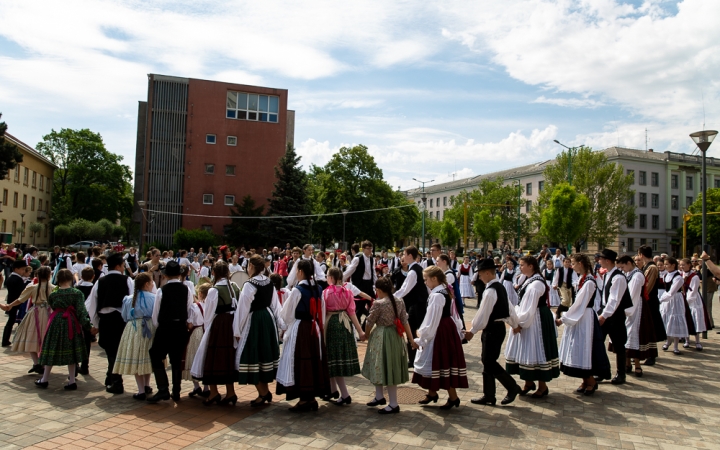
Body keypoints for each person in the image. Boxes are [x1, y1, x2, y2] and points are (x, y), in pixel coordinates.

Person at [465, 258, 522, 406]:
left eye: (481, 274)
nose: (480, 277)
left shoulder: (490, 291)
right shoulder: (499, 287)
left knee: (489, 361)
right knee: (487, 360)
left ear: (488, 273)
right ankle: (489, 394)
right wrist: (514, 323)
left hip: (492, 329)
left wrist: (472, 331)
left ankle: (511, 386)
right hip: (497, 328)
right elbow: (509, 308)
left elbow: (483, 314)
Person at [276, 259, 330, 412]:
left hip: (300, 328)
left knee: (301, 361)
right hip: (315, 328)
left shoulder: (297, 290)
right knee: (313, 361)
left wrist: (287, 326)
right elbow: (322, 311)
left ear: (300, 272)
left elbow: (286, 314)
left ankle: (305, 399)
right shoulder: (319, 288)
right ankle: (310, 397)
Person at [412, 266, 468, 410]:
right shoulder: (445, 290)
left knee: (441, 362)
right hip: (446, 328)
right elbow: (453, 312)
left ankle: (452, 397)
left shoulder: (437, 296)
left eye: (426, 279)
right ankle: (433, 393)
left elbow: (432, 319)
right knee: (443, 363)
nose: (425, 282)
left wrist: (422, 336)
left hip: (440, 330)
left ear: (434, 279)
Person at [504, 255, 560, 397]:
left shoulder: (536, 284)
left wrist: (519, 323)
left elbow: (529, 307)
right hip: (530, 317)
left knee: (536, 349)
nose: (520, 267)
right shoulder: (529, 280)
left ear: (531, 266)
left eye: (522, 265)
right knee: (527, 349)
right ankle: (528, 382)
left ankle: (542, 386)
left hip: (536, 320)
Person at [555, 254, 611, 395]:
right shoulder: (582, 279)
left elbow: (580, 303)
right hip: (580, 316)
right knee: (578, 348)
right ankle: (586, 379)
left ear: (580, 263)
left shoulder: (589, 281)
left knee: (586, 348)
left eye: (573, 263)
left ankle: (590, 380)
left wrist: (563, 319)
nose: (572, 266)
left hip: (585, 317)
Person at [233, 255, 283, 407]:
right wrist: (280, 324)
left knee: (252, 355)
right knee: (263, 355)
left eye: (248, 266)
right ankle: (264, 392)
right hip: (267, 320)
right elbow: (276, 305)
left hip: (254, 321)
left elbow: (242, 309)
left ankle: (263, 393)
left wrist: (237, 330)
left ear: (252, 267)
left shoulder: (249, 285)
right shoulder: (269, 282)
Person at [362, 276, 416, 414]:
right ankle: (380, 397)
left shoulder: (379, 304)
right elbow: (405, 321)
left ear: (378, 290)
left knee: (381, 365)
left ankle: (393, 403)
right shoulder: (399, 301)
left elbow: (369, 322)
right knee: (388, 366)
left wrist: (366, 335)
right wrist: (411, 339)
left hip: (382, 336)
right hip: (396, 336)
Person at [191, 261, 240, 405]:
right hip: (231, 324)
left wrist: (207, 330)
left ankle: (213, 392)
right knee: (227, 358)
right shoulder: (235, 287)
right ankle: (230, 392)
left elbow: (208, 314)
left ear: (214, 273)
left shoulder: (214, 290)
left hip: (219, 325)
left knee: (212, 357)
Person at [85, 253, 135, 394]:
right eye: (123, 265)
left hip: (106, 319)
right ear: (119, 266)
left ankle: (114, 380)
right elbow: (132, 301)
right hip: (121, 319)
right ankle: (113, 379)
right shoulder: (127, 280)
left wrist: (96, 323)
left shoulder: (100, 281)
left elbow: (92, 305)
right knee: (116, 350)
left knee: (110, 350)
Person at [34, 269, 91, 390]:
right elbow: (81, 311)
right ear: (70, 279)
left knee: (51, 348)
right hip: (71, 321)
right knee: (72, 350)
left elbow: (52, 306)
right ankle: (71, 380)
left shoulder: (54, 294)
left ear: (58, 280)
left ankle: (44, 379)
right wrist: (88, 326)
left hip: (56, 322)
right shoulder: (77, 293)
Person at [321, 267, 369, 405]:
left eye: (327, 276)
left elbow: (323, 312)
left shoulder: (326, 292)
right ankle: (332, 390)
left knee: (332, 359)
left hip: (331, 324)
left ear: (331, 278)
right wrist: (360, 331)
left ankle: (344, 394)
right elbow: (352, 313)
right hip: (345, 325)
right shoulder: (347, 292)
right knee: (335, 360)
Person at [0, 266, 54, 374]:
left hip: (35, 313)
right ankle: (42, 364)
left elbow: (20, 300)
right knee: (47, 339)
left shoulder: (33, 287)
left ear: (37, 276)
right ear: (49, 276)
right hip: (50, 314)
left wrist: (9, 306)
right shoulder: (54, 288)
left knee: (30, 337)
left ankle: (36, 363)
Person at [112, 273, 156, 400]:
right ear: (147, 284)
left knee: (137, 358)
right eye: (151, 282)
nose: (153, 284)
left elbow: (125, 316)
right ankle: (147, 385)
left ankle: (141, 390)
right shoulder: (154, 298)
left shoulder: (128, 299)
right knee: (146, 358)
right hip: (149, 327)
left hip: (134, 329)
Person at [597, 249, 633, 385]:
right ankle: (601, 371)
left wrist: (603, 316)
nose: (599, 261)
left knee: (619, 344)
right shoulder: (608, 275)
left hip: (615, 315)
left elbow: (614, 300)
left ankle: (621, 373)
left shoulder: (618, 277)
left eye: (601, 259)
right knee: (598, 341)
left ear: (607, 260)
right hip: (606, 311)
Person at [616, 256, 656, 376]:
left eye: (623, 266)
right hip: (628, 306)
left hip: (636, 307)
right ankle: (627, 363)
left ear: (629, 263)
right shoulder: (629, 273)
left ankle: (637, 364)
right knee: (626, 334)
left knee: (634, 334)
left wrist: (625, 310)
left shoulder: (637, 275)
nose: (622, 269)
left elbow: (632, 294)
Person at [393, 246, 429, 367]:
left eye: (404, 254)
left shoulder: (413, 271)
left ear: (409, 256)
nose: (403, 256)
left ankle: (424, 358)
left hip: (419, 305)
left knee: (422, 331)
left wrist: (390, 298)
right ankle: (413, 359)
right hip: (417, 305)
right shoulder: (417, 268)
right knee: (411, 330)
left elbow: (404, 290)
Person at [637, 245, 665, 366]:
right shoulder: (646, 267)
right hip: (647, 302)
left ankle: (652, 355)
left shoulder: (652, 267)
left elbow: (648, 287)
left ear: (641, 255)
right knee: (647, 328)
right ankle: (648, 353)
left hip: (650, 303)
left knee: (651, 328)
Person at [184, 283, 211, 398]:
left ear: (200, 294)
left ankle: (196, 386)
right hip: (208, 333)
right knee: (206, 359)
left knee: (193, 358)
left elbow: (190, 325)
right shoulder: (212, 307)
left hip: (197, 333)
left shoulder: (194, 307)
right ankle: (206, 387)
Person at [343, 241, 377, 327]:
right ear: (363, 249)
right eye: (368, 248)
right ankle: (357, 329)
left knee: (374, 307)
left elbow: (373, 273)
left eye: (371, 248)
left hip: (369, 285)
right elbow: (349, 271)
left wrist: (376, 285)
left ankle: (364, 327)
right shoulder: (357, 259)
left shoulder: (372, 259)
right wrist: (340, 279)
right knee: (359, 309)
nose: (370, 250)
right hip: (360, 286)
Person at [659, 257, 688, 355]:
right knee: (667, 320)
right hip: (667, 300)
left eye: (667, 264)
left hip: (675, 300)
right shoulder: (666, 275)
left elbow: (672, 292)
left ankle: (675, 346)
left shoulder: (678, 277)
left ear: (673, 265)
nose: (665, 266)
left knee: (675, 321)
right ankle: (668, 341)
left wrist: (661, 299)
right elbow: (666, 290)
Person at [2, 260, 32, 347]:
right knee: (13, 321)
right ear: (16, 269)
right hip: (16, 303)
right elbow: (22, 293)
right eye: (22, 269)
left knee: (11, 321)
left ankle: (5, 340)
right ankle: (8, 340)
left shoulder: (11, 277)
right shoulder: (17, 279)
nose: (23, 271)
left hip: (11, 302)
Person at [680, 258, 706, 350]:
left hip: (693, 300)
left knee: (695, 320)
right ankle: (687, 340)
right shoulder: (681, 274)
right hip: (684, 298)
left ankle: (698, 342)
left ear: (689, 265)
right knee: (686, 319)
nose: (682, 267)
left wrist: (686, 301)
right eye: (681, 265)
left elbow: (693, 291)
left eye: (683, 265)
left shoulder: (694, 276)